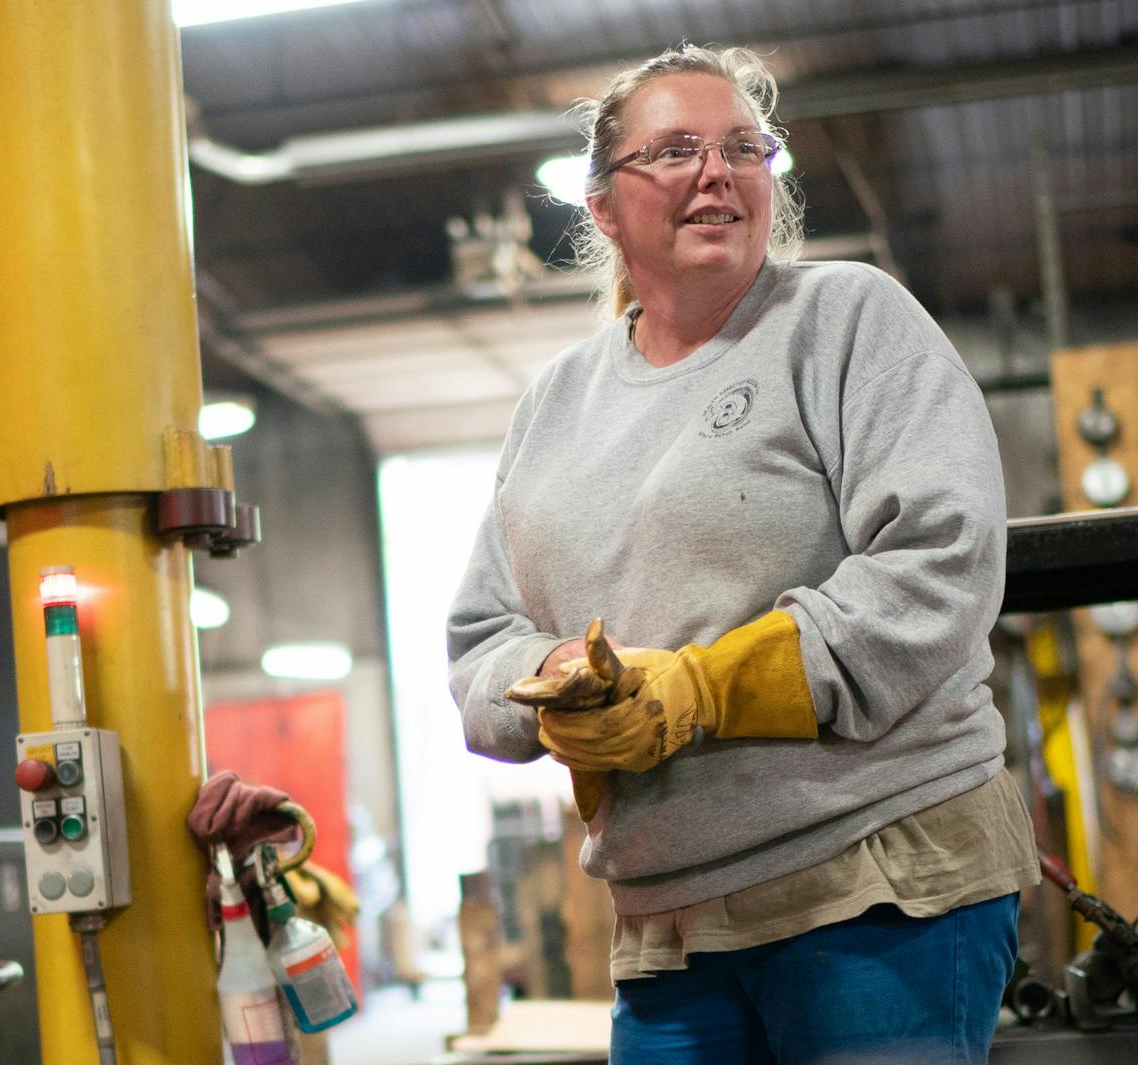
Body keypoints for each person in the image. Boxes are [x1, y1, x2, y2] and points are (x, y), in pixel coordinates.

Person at [446, 43, 1040, 1065]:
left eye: (742, 148)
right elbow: (480, 638)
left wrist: (703, 688)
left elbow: (936, 563)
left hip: (873, 886)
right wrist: (557, 685)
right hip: (667, 927)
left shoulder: (846, 320)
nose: (716, 172)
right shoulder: (553, 403)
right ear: (599, 207)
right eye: (673, 150)